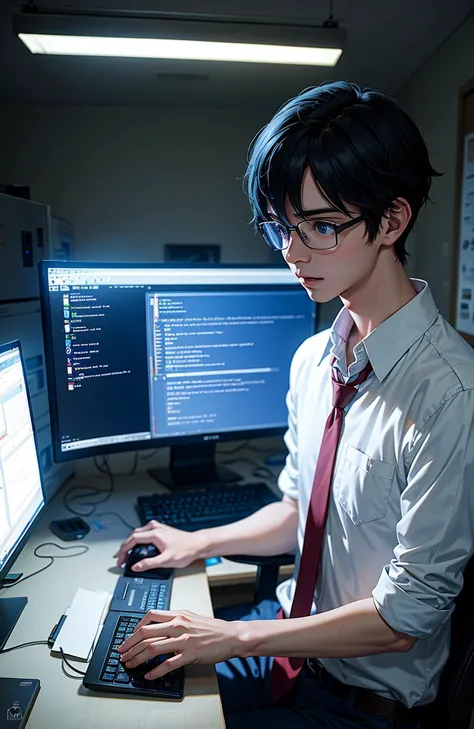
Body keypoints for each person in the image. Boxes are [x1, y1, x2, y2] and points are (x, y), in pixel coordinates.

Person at [113, 81, 474, 729]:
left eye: (322, 226)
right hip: (287, 643)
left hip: (363, 704)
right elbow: (298, 510)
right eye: (282, 226)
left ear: (392, 220)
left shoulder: (451, 392)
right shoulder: (313, 361)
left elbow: (402, 620)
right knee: (118, 679)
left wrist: (231, 636)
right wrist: (196, 539)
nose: (292, 253)